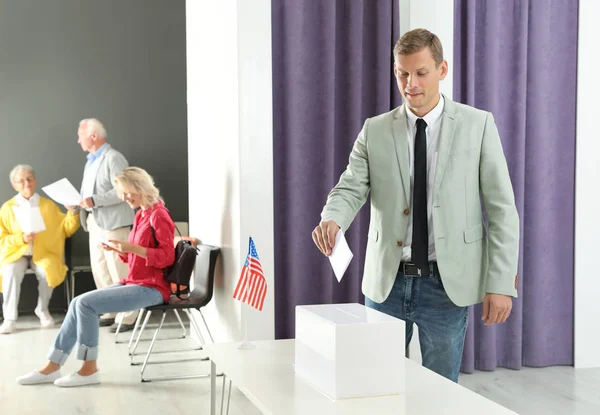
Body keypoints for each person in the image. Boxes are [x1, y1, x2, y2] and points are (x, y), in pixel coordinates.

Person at [311, 28, 519, 382]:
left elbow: (502, 211)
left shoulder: (478, 125)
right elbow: (350, 187)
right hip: (387, 283)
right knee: (378, 387)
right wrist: (333, 218)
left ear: (442, 69)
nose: (411, 84)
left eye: (421, 73)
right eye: (402, 73)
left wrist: (500, 283)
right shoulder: (374, 130)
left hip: (446, 285)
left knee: (441, 393)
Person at [16, 167, 175, 387]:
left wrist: (131, 247)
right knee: (76, 302)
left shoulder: (159, 214)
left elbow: (167, 257)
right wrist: (121, 250)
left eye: (128, 193)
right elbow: (138, 257)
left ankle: (88, 369)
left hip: (153, 289)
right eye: (121, 194)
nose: (124, 198)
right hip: (137, 282)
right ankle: (52, 366)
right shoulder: (142, 213)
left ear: (141, 187)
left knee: (87, 305)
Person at [0, 165, 80, 334]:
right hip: (16, 253)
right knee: (11, 272)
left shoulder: (48, 205)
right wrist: (21, 238)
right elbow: (2, 238)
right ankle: (9, 318)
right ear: (14, 185)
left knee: (47, 270)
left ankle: (42, 309)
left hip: (44, 253)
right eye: (21, 181)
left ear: (35, 181)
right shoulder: (7, 208)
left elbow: (66, 229)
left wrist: (72, 212)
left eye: (29, 179)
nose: (26, 183)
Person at [77, 118, 137, 332]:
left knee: (118, 268)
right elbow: (89, 193)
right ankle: (111, 309)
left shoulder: (114, 158)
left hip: (114, 223)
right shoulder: (90, 161)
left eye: (80, 135)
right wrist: (78, 201)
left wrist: (94, 200)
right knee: (100, 268)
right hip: (95, 221)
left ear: (93, 136)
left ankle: (129, 315)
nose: (78, 140)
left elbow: (124, 191)